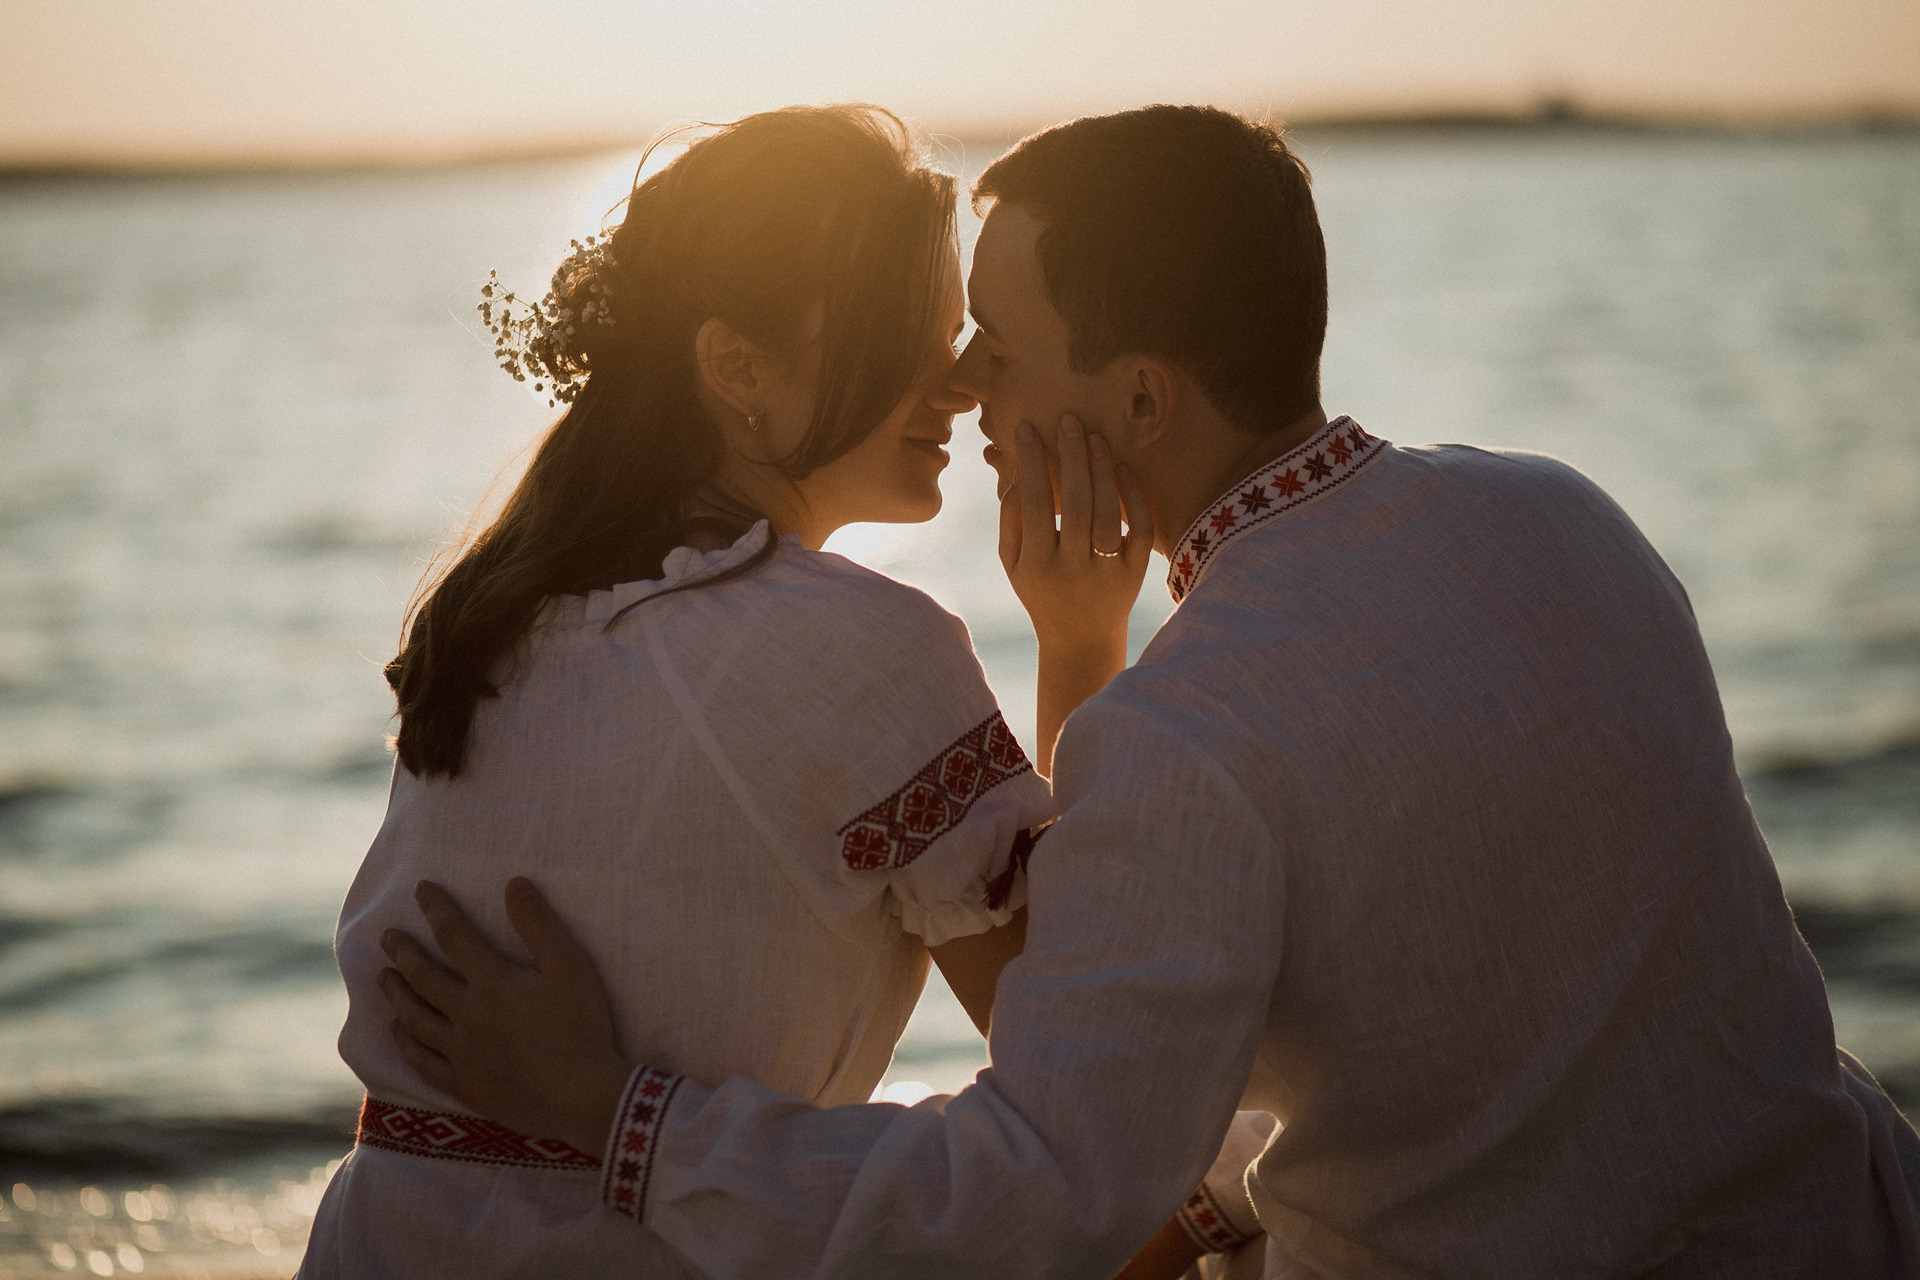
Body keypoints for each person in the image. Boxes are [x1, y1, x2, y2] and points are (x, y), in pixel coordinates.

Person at [382, 105, 1920, 1278]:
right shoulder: (1562, 515)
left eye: (1001, 337)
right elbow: (1416, 1028)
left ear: (1136, 398)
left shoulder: (1190, 728)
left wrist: (625, 1117)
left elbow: (1048, 1190)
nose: (971, 378)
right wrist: (1084, 644)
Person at [301, 103, 1131, 1279]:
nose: (957, 384)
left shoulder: (505, 611)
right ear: (735, 365)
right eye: (910, 335)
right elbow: (1093, 1049)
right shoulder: (858, 646)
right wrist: (1084, 637)